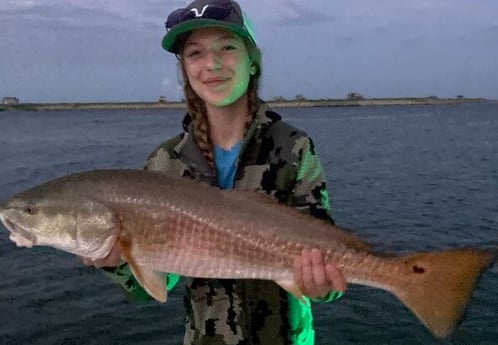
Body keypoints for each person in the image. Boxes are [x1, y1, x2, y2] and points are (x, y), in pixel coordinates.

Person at [82, 0, 347, 344]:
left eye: (227, 48)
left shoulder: (293, 148)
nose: (212, 64)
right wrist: (115, 263)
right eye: (195, 54)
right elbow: (154, 289)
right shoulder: (166, 163)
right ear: (185, 70)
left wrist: (323, 286)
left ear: (253, 61)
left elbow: (328, 270)